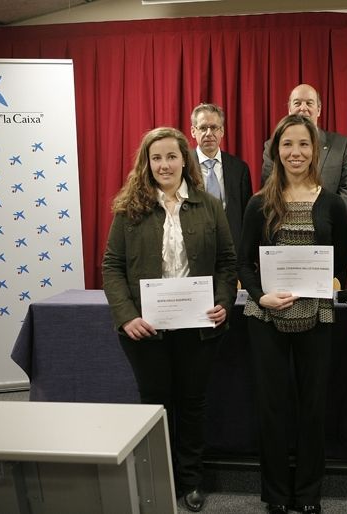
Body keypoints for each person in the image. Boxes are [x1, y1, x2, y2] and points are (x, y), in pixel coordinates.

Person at [102, 127, 237, 513]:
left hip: (198, 327)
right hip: (146, 331)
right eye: (156, 157)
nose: (164, 164)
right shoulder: (130, 208)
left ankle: (191, 479)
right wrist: (127, 316)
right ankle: (157, 480)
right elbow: (111, 267)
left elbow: (228, 263)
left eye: (171, 156)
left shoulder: (209, 206)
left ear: (185, 160)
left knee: (193, 404)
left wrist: (224, 302)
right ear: (147, 163)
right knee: (155, 405)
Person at [240, 114, 347, 514]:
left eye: (303, 144)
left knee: (312, 406)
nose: (295, 152)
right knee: (272, 407)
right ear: (276, 151)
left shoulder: (333, 203)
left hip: (317, 316)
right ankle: (276, 494)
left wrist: (335, 280)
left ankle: (307, 494)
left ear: (315, 150)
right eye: (287, 145)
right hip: (265, 316)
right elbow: (243, 263)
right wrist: (260, 296)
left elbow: (343, 259)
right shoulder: (258, 203)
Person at [261, 83, 347, 214]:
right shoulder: (273, 145)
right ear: (289, 109)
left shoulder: (342, 145)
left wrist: (326, 218)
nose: (303, 108)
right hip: (284, 218)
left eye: (309, 103)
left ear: (319, 109)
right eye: (297, 103)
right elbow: (269, 186)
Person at [190, 102, 253, 244]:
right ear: (193, 131)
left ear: (222, 131)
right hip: (195, 246)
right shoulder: (183, 167)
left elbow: (247, 216)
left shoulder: (239, 168)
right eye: (203, 128)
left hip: (232, 247)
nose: (209, 133)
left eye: (214, 127)